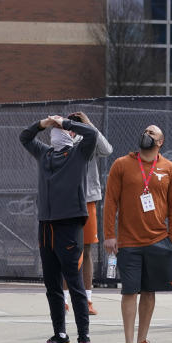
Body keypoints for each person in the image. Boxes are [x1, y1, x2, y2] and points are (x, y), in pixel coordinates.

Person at [19, 114, 99, 343]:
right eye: (52, 129)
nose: (55, 131)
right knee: (52, 284)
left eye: (59, 129)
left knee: (73, 283)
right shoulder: (45, 154)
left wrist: (67, 123)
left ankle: (84, 336)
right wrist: (42, 124)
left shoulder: (78, 153)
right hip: (46, 225)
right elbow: (25, 137)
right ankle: (60, 335)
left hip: (69, 225)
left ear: (69, 134)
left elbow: (92, 134)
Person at [103, 125, 172, 343]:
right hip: (128, 243)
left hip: (159, 241)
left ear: (161, 141)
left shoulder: (170, 169)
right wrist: (109, 235)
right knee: (129, 292)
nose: (146, 134)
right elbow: (110, 201)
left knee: (149, 292)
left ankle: (142, 341)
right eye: (145, 131)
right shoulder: (121, 164)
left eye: (152, 132)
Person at [60, 112, 112, 317]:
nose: (74, 127)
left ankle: (87, 299)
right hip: (65, 202)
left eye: (77, 123)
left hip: (88, 199)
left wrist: (89, 124)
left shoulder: (88, 138)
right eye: (70, 124)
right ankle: (63, 299)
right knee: (66, 251)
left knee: (87, 250)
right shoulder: (61, 140)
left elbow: (107, 150)